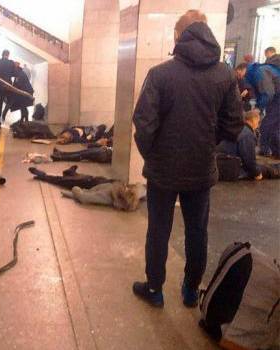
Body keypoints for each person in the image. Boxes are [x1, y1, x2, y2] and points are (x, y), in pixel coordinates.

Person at [131, 10, 243, 308]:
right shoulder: (224, 74)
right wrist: (207, 141)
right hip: (201, 169)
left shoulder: (160, 74)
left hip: (162, 171)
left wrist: (153, 155)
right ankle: (191, 291)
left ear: (179, 36)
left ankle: (154, 289)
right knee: (197, 231)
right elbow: (234, 125)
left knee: (158, 229)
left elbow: (144, 125)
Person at [236, 49, 280, 158]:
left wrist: (259, 108)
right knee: (275, 126)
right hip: (276, 98)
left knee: (267, 124)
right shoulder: (254, 74)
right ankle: (276, 152)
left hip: (277, 98)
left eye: (238, 73)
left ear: (243, 69)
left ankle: (265, 150)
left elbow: (268, 93)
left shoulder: (259, 72)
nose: (239, 76)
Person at [217, 109, 280, 180]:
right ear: (253, 120)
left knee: (264, 167)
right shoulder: (247, 134)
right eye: (258, 121)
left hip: (222, 165)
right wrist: (257, 173)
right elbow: (249, 159)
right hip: (231, 169)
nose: (258, 124)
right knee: (269, 170)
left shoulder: (237, 128)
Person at [61, 182, 146, 212]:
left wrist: (74, 190)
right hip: (100, 186)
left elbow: (84, 197)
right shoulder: (138, 193)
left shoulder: (107, 197)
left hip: (95, 187)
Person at [28, 165, 114, 190]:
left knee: (59, 179)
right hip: (86, 181)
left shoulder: (111, 191)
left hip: (85, 182)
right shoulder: (112, 189)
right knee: (59, 180)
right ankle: (70, 173)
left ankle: (42, 175)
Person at [0, 50, 16, 128]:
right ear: (8, 55)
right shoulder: (11, 63)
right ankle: (4, 113)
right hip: (8, 87)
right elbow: (14, 74)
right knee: (11, 101)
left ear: (2, 54)